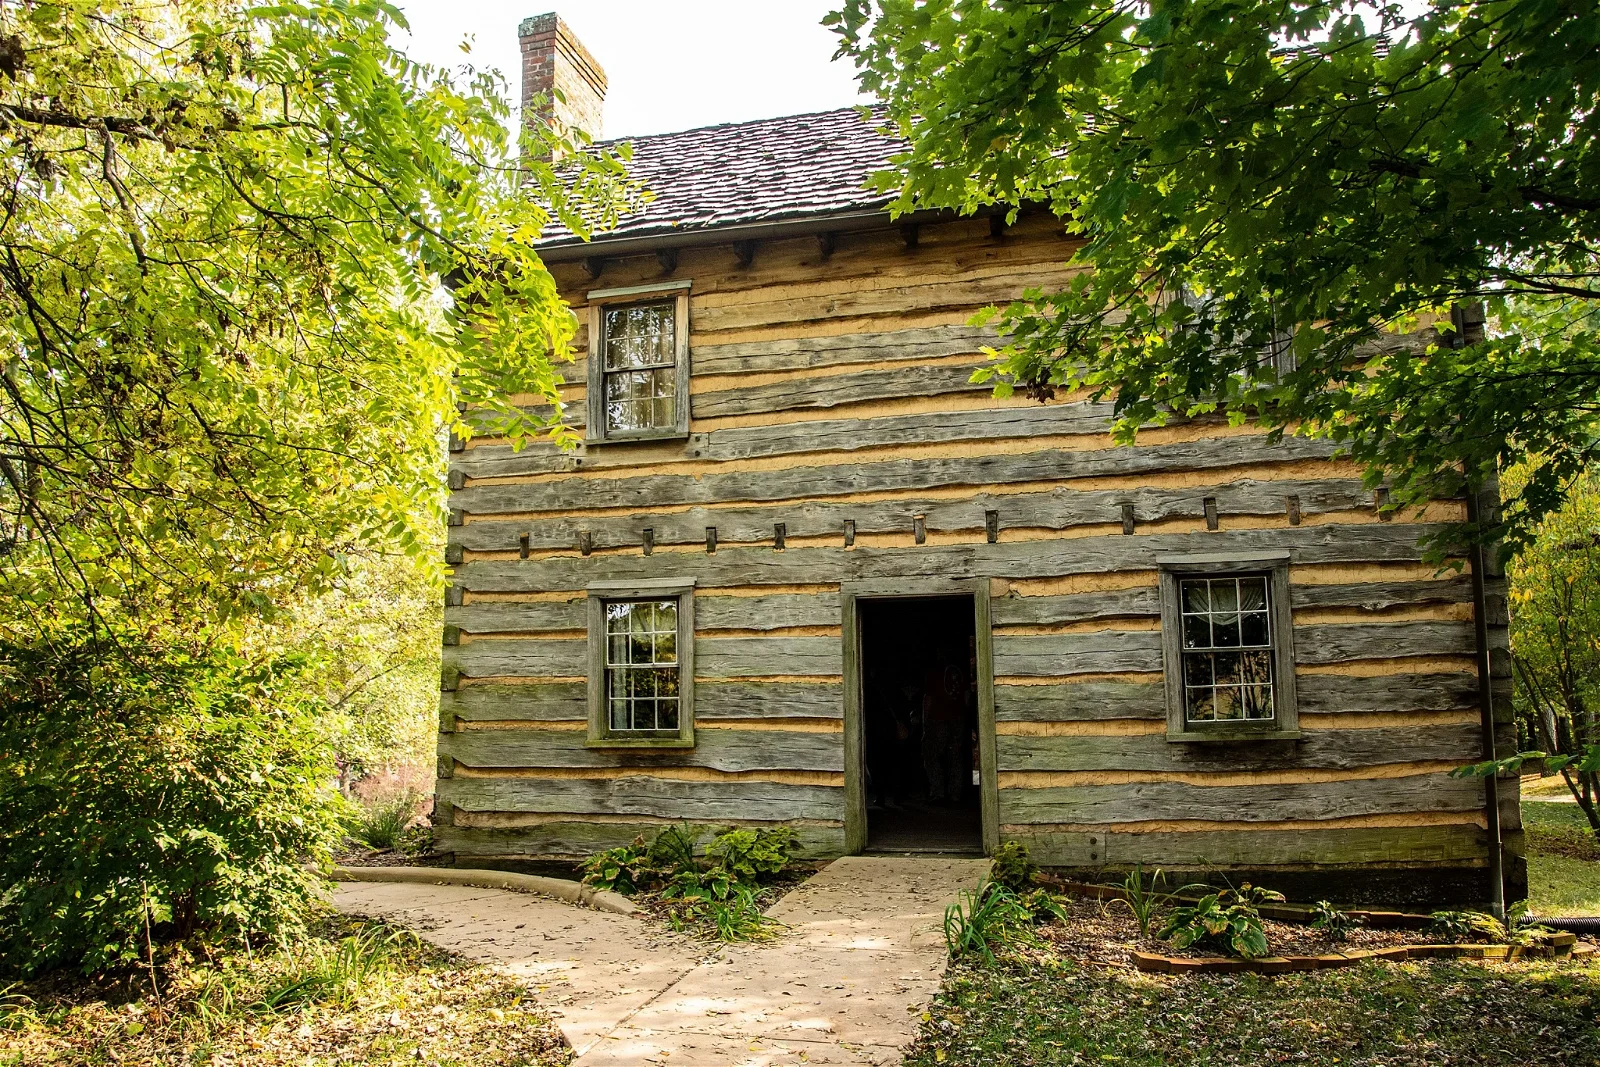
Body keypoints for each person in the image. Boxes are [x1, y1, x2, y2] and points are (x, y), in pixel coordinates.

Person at [921, 657, 969, 803]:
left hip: (938, 719)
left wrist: (925, 724)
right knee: (955, 757)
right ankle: (955, 794)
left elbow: (927, 699)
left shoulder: (935, 673)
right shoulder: (961, 671)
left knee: (931, 756)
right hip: (957, 719)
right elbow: (967, 696)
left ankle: (937, 793)